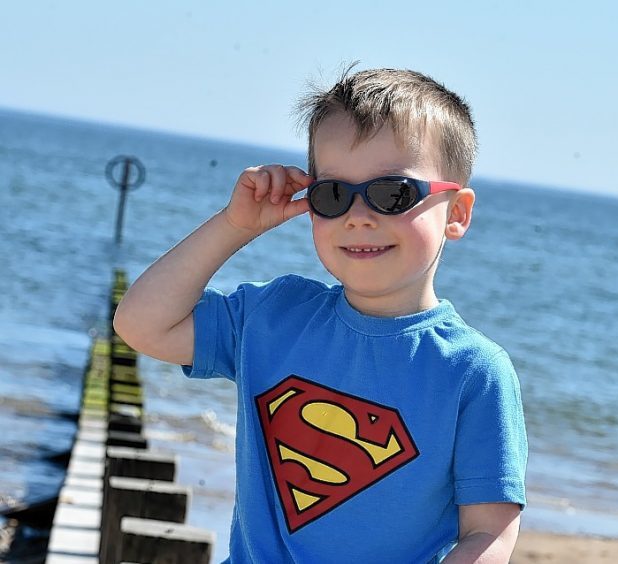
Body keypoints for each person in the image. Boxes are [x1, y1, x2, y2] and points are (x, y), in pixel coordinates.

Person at [113, 67, 528, 563]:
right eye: (332, 194)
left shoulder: (473, 372)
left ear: (455, 212)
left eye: (392, 193)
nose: (358, 215)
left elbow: (489, 533)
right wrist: (234, 226)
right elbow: (140, 324)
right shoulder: (275, 316)